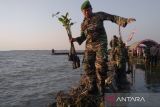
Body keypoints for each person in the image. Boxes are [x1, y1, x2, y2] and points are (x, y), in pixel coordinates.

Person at [70, 0, 136, 95]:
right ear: (82, 12)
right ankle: (92, 86)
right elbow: (83, 37)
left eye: (88, 10)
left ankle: (101, 87)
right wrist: (75, 39)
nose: (86, 13)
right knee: (87, 66)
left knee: (100, 66)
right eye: (84, 11)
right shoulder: (83, 23)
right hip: (89, 46)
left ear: (91, 9)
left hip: (100, 44)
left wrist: (125, 21)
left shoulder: (99, 15)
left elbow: (112, 17)